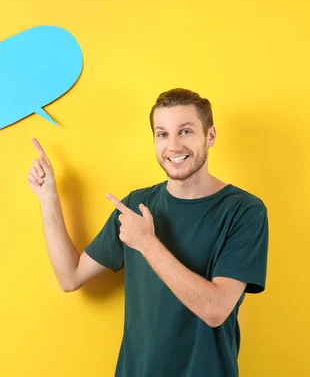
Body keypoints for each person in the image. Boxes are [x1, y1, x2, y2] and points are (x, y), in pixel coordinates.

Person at [26, 88, 269, 377]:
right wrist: (48, 198)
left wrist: (147, 243)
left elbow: (216, 310)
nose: (174, 146)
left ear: (210, 136)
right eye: (162, 134)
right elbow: (70, 276)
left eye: (186, 131)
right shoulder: (135, 206)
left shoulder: (244, 210)